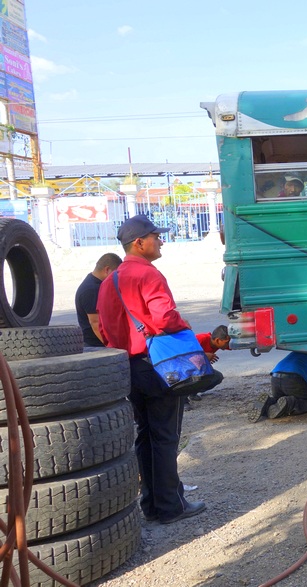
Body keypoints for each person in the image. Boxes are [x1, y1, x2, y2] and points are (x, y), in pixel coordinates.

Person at [96, 214, 206, 525]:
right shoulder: (148, 274)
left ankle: (151, 505)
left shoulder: (108, 282)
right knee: (165, 436)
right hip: (156, 367)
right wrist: (182, 325)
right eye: (156, 236)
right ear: (139, 243)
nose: (161, 241)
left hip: (126, 366)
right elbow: (164, 319)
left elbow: (104, 330)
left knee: (145, 435)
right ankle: (171, 507)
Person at [248, 352, 307, 422]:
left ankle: (268, 402)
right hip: (293, 378)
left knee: (278, 401)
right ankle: (291, 403)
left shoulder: (301, 350)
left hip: (275, 377)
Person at [74, 252, 122, 347]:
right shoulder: (91, 290)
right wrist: (112, 347)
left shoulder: (96, 284)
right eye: (116, 273)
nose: (118, 277)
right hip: (96, 345)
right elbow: (96, 323)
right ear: (107, 270)